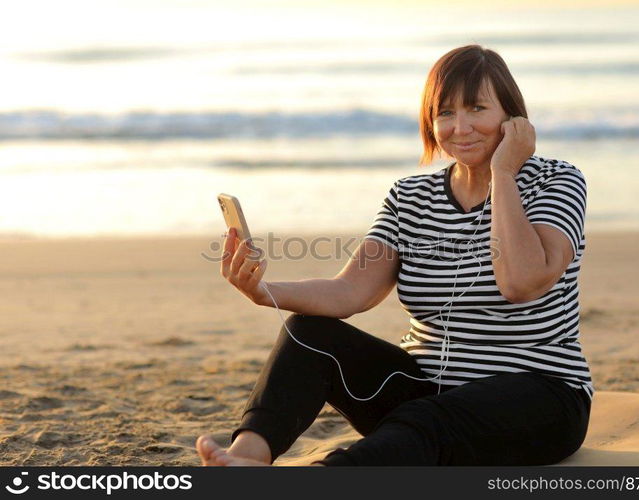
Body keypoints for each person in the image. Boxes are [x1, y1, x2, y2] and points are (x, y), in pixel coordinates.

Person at [196, 44, 593, 466]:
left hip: (540, 398)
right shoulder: (410, 196)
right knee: (308, 334)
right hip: (425, 390)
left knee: (426, 419)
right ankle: (247, 459)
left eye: (477, 108)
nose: (460, 128)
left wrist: (503, 173)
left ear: (513, 118)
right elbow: (350, 292)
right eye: (445, 113)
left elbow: (521, 283)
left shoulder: (557, 181)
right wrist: (263, 290)